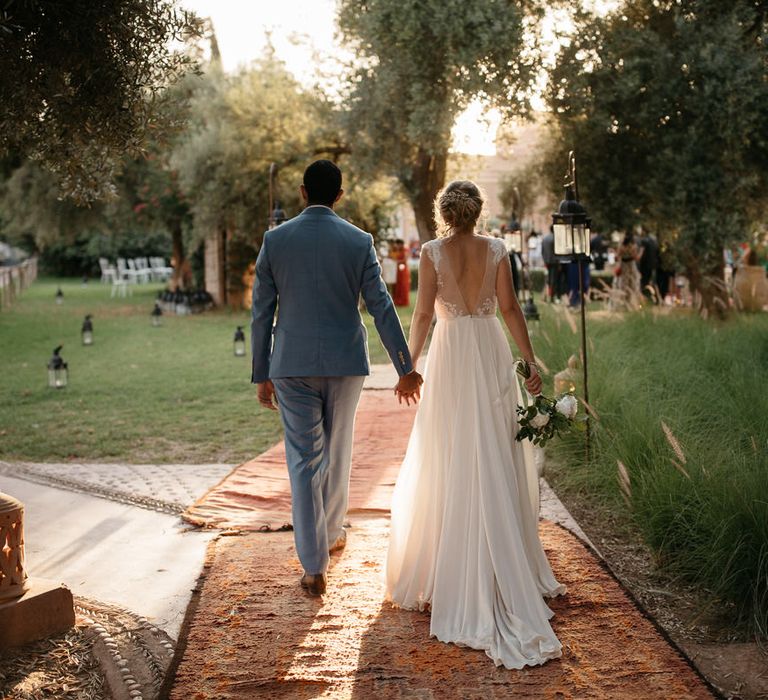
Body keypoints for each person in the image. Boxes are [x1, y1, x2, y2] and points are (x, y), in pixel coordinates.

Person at [386, 180, 565, 669]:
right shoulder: (496, 250)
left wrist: (410, 365)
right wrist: (529, 361)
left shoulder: (432, 252)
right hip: (487, 351)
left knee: (448, 450)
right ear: (478, 212)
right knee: (493, 446)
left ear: (443, 213)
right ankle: (503, 561)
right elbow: (508, 309)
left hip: (449, 355)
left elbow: (423, 313)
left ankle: (454, 565)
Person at [251, 160, 423, 596]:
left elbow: (261, 314)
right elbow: (381, 306)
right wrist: (405, 366)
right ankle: (330, 534)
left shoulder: (275, 240)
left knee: (303, 461)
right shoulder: (358, 240)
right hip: (346, 363)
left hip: (291, 364)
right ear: (339, 196)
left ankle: (313, 565)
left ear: (303, 191)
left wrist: (261, 372)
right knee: (338, 448)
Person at [615, 229, 642, 307]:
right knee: (632, 283)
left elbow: (617, 256)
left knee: (623, 283)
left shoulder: (621, 246)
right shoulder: (633, 246)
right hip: (631, 265)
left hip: (623, 264)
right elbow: (636, 258)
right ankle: (631, 301)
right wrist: (641, 252)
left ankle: (623, 301)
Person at [638, 233, 660, 299]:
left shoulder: (644, 241)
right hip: (653, 265)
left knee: (644, 281)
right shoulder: (655, 242)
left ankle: (644, 296)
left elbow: (640, 255)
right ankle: (652, 296)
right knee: (651, 281)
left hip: (645, 265)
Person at [393, 238, 411, 306]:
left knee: (403, 285)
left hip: (403, 269)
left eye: (397, 244)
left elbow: (405, 260)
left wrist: (396, 262)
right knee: (398, 285)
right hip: (398, 270)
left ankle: (403, 301)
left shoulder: (405, 249)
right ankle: (398, 300)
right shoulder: (397, 250)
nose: (397, 246)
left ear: (400, 244)